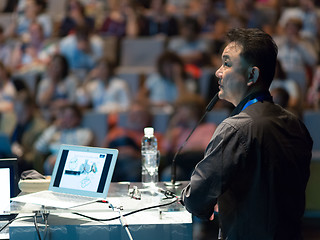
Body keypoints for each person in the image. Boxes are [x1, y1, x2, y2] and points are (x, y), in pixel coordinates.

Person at [181, 28, 313, 239]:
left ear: (252, 74)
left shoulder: (235, 128)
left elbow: (196, 199)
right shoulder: (296, 125)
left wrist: (195, 201)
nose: (218, 71)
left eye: (226, 63)